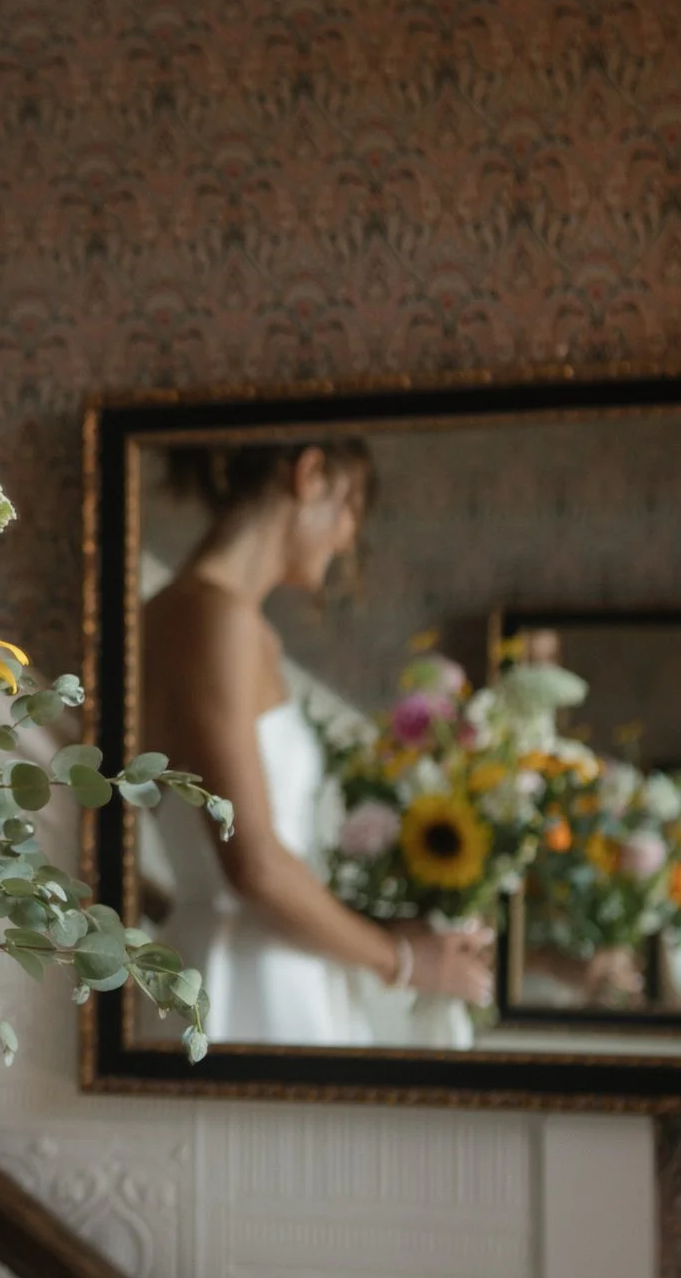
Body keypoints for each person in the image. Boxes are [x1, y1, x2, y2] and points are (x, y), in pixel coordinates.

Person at [136, 441, 496, 1047]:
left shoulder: (196, 619)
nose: (348, 538)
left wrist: (390, 936)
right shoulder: (214, 621)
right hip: (253, 982)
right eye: (352, 506)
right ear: (309, 475)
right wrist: (405, 962)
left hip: (265, 960)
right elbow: (253, 866)